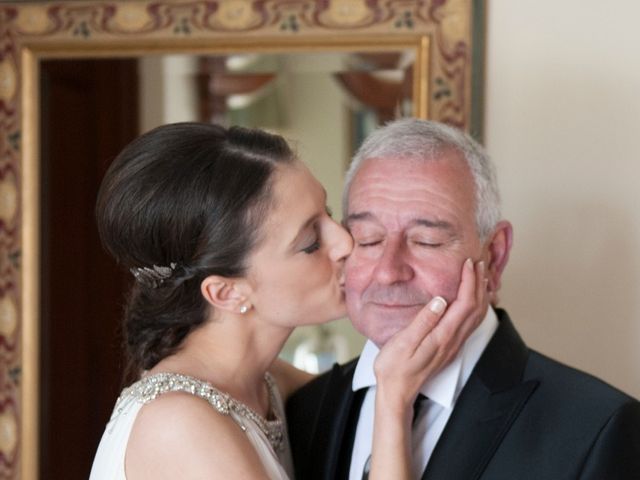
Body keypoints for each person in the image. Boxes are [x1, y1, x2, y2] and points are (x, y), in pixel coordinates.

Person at [88, 122, 488, 479]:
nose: (346, 242)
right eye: (311, 242)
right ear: (228, 292)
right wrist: (393, 401)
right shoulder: (178, 427)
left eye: (330, 214)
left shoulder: (265, 382)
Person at [287, 118, 640, 479]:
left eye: (427, 241)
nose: (389, 271)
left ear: (495, 255)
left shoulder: (596, 429)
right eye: (368, 239)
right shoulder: (305, 411)